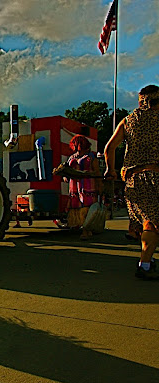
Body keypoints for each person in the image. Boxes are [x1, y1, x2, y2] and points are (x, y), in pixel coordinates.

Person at [104, 84, 159, 280]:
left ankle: (146, 261)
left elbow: (109, 148)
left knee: (148, 222)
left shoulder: (128, 121)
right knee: (151, 224)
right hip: (155, 177)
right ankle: (145, 265)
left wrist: (110, 170)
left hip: (133, 180)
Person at [65, 135, 102, 240]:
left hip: (88, 187)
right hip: (74, 187)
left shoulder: (91, 157)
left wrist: (100, 185)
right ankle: (81, 227)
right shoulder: (72, 157)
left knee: (87, 208)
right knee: (77, 208)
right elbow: (67, 172)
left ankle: (86, 230)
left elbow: (97, 172)